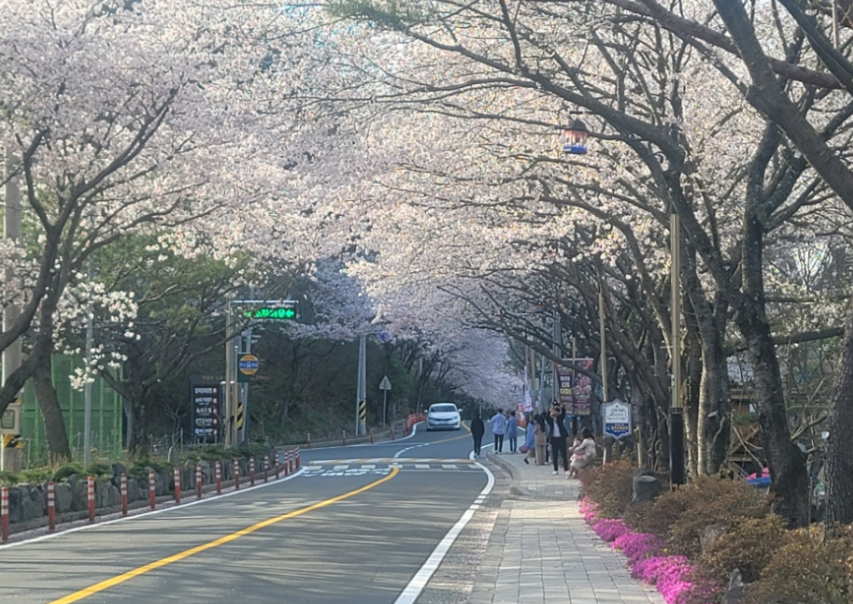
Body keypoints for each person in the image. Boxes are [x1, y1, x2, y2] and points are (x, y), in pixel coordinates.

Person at [545, 401, 569, 475]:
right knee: (554, 455)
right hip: (554, 438)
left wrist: (562, 407)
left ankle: (566, 469)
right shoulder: (550, 421)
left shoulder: (560, 419)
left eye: (555, 411)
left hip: (561, 438)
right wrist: (550, 409)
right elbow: (546, 416)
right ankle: (555, 469)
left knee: (564, 454)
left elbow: (563, 413)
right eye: (553, 411)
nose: (554, 412)